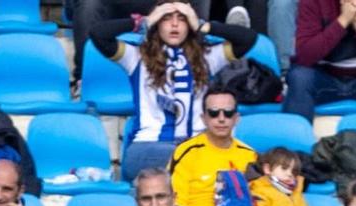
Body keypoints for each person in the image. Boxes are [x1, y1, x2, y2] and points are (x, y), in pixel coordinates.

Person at [90, 1, 258, 181]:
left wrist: (203, 25)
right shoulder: (136, 56)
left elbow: (248, 38)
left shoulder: (207, 57)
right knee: (203, 159)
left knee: (232, 160)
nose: (175, 24)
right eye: (166, 18)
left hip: (196, 148)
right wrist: (143, 22)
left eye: (182, 19)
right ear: (157, 23)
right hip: (147, 149)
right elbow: (98, 34)